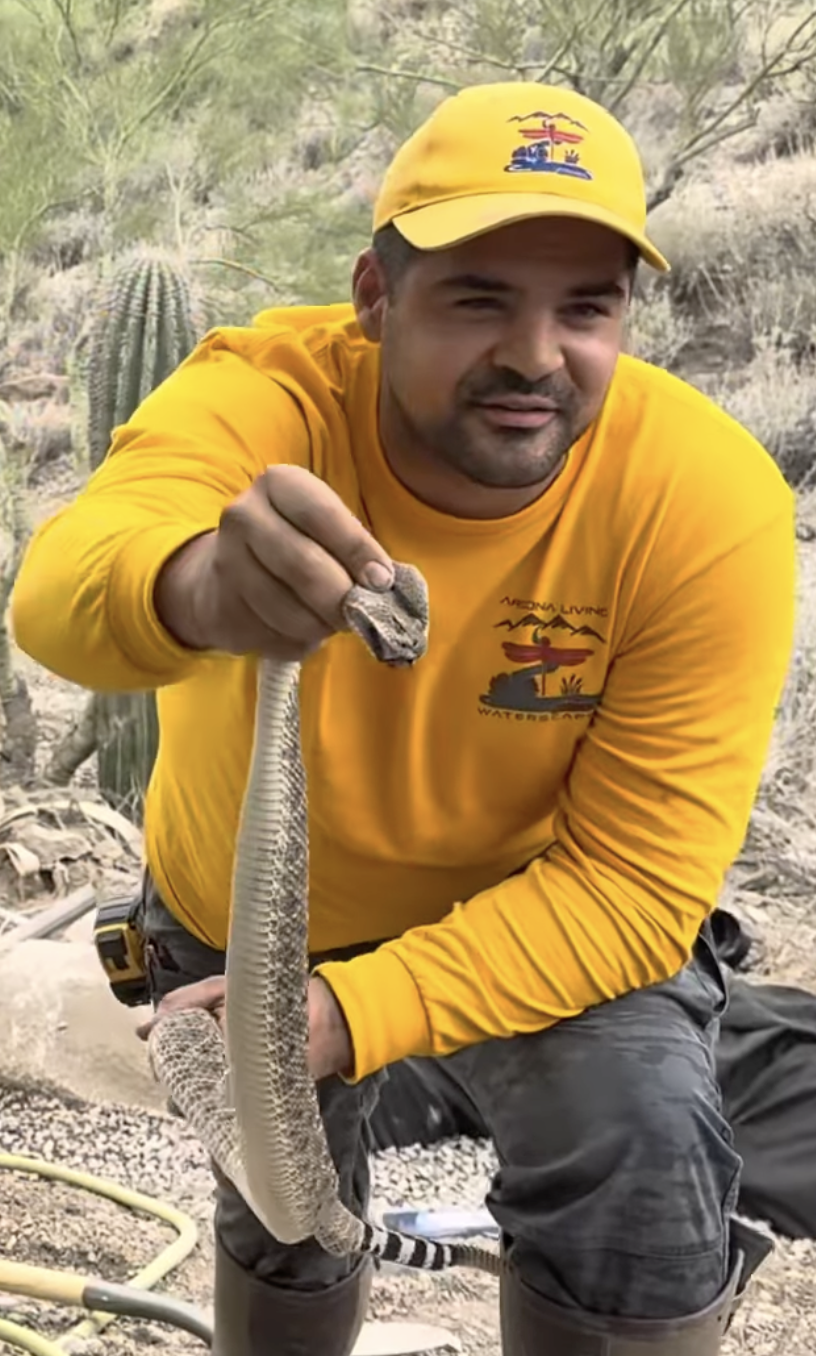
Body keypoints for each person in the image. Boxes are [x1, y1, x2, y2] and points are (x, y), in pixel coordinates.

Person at [11, 81, 795, 1355]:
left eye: (585, 307)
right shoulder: (267, 397)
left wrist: (351, 1016)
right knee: (280, 1211)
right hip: (245, 929)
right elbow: (59, 598)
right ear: (376, 298)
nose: (537, 355)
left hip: (537, 921)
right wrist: (196, 585)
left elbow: (637, 888)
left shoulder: (705, 504)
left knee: (638, 1147)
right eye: (480, 297)